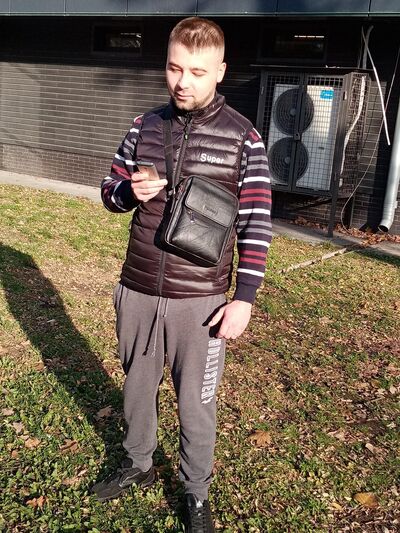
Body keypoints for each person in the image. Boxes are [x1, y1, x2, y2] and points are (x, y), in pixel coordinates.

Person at [92, 16, 272, 533]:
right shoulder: (144, 126)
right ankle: (139, 462)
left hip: (202, 301)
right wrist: (128, 192)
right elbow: (108, 192)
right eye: (174, 68)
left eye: (197, 71)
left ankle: (196, 493)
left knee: (195, 404)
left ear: (220, 71)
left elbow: (256, 222)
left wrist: (244, 297)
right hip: (138, 288)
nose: (182, 82)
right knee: (137, 389)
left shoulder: (244, 139)